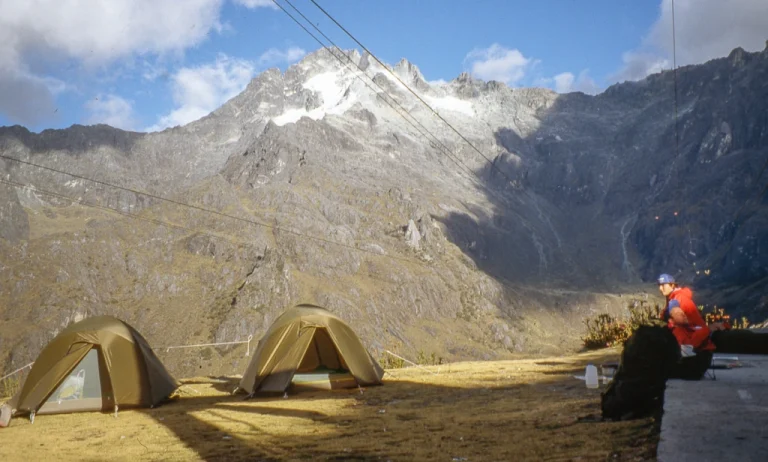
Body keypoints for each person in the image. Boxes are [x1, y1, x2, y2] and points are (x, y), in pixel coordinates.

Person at [657, 273, 715, 379]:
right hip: (702, 354)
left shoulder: (677, 300)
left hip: (697, 356)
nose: (660, 288)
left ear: (672, 285)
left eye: (663, 285)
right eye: (659, 285)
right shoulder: (676, 298)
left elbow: (679, 321)